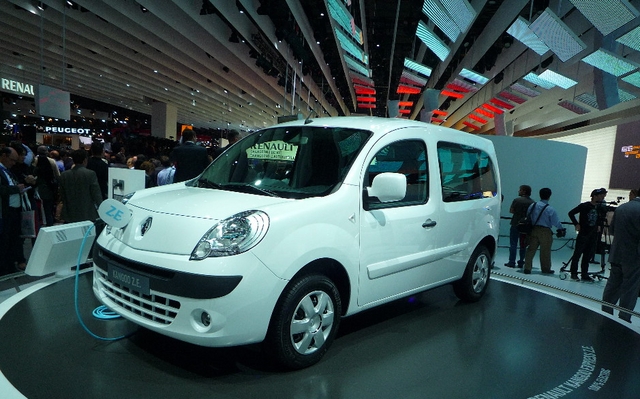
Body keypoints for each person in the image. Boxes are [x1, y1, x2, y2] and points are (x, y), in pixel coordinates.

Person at [601, 187, 640, 322]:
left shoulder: (622, 208)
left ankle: (605, 313)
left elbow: (612, 230)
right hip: (634, 257)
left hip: (617, 254)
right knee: (630, 289)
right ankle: (624, 319)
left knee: (612, 285)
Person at [567, 188, 608, 282]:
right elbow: (571, 213)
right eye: (601, 195)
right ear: (595, 196)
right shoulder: (584, 206)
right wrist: (576, 224)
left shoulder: (600, 208)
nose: (602, 197)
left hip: (593, 234)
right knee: (577, 254)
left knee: (588, 255)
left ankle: (584, 273)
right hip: (584, 232)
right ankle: (574, 273)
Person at [523, 187, 566, 275]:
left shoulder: (533, 205)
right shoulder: (550, 209)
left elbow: (528, 216)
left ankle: (527, 267)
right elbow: (555, 221)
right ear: (549, 196)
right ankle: (545, 268)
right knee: (545, 251)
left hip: (534, 229)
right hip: (545, 231)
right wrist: (560, 228)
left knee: (531, 249)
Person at [58, 149, 103, 223]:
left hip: (69, 213)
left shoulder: (64, 175)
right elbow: (96, 194)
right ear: (85, 160)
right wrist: (101, 208)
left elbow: (62, 194)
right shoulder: (90, 174)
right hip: (87, 212)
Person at [0, 147, 26, 275]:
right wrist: (16, 189)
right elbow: (2, 189)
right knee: (4, 240)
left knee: (13, 239)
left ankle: (10, 265)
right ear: (4, 156)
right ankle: (3, 268)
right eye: (12, 160)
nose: (13, 163)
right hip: (5, 211)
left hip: (14, 210)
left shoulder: (8, 171)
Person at [505, 184, 534, 268]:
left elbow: (511, 211)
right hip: (526, 226)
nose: (519, 191)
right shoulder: (532, 202)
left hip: (515, 224)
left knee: (513, 244)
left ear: (524, 191)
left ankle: (511, 261)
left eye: (520, 190)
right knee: (523, 245)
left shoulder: (517, 200)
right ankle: (521, 261)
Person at [33, 146, 61, 227]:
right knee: (48, 210)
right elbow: (57, 175)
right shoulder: (52, 161)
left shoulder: (34, 161)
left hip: (36, 189)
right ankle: (49, 227)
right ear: (47, 152)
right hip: (49, 188)